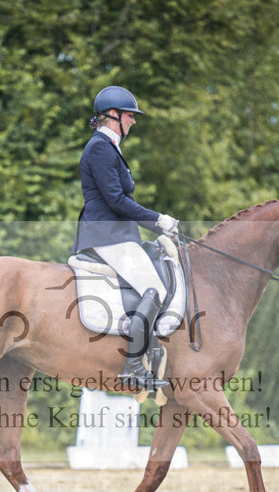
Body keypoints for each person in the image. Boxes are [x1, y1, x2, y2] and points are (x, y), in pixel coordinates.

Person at [73, 85, 178, 391]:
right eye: (130, 116)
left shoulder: (110, 148)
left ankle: (151, 355)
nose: (134, 121)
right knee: (153, 288)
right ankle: (133, 367)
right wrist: (157, 220)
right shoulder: (99, 149)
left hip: (118, 234)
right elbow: (117, 200)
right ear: (114, 116)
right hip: (106, 235)